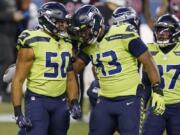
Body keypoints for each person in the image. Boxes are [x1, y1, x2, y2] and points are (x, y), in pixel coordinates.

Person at [70, 5, 165, 135]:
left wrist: (157, 88)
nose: (83, 35)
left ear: (96, 22)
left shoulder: (122, 33)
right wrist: (72, 50)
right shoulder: (88, 46)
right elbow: (73, 69)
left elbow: (148, 61)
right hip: (105, 100)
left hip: (129, 98)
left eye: (85, 30)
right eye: (80, 32)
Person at [11, 2, 81, 135]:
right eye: (60, 23)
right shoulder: (32, 40)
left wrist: (74, 101)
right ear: (47, 21)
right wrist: (18, 112)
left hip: (60, 101)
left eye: (65, 22)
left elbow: (70, 77)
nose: (65, 26)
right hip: (37, 100)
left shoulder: (67, 42)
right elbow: (18, 80)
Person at [142, 14, 180, 135]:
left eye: (166, 31)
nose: (161, 34)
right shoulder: (149, 50)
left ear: (175, 32)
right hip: (157, 106)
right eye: (159, 30)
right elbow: (146, 82)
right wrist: (141, 106)